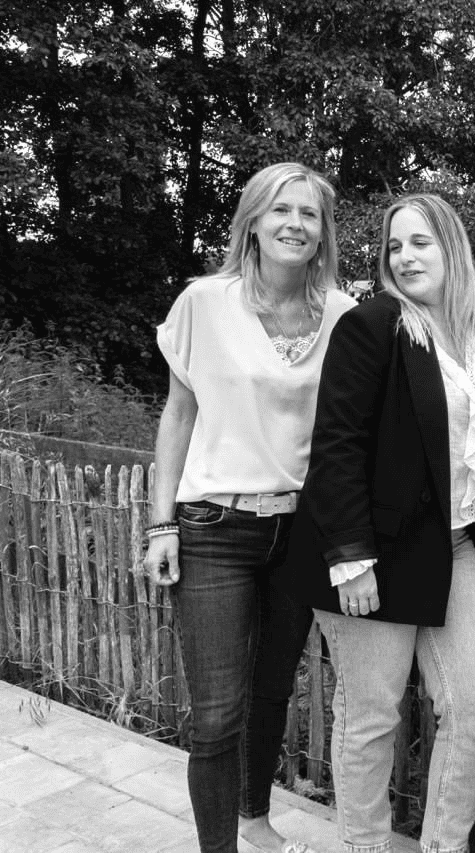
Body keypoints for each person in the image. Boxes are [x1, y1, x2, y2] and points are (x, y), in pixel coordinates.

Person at [283, 193, 475, 853]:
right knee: (371, 716)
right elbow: (337, 443)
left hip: (450, 545)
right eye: (394, 246)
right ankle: (364, 846)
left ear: (451, 247)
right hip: (368, 551)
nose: (404, 257)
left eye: (419, 242)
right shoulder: (374, 325)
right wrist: (350, 557)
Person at [143, 162, 355, 853]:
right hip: (214, 527)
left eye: (309, 213)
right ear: (253, 223)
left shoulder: (344, 315)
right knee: (216, 714)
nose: (295, 223)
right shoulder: (204, 302)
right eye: (280, 209)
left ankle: (256, 821)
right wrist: (160, 523)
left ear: (323, 231)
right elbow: (178, 415)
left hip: (301, 530)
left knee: (272, 693)